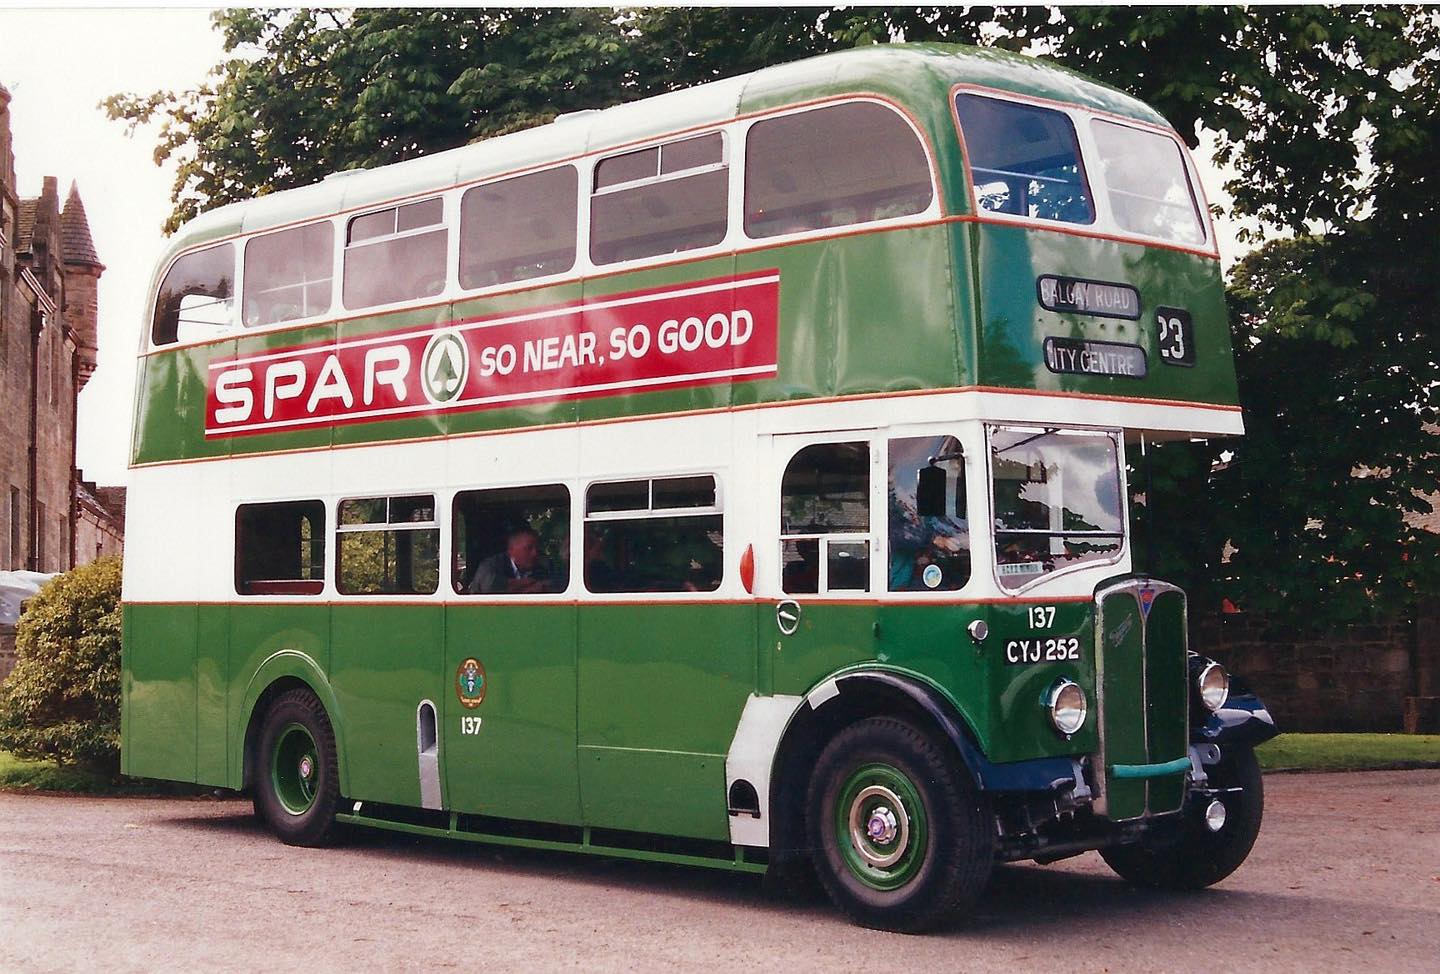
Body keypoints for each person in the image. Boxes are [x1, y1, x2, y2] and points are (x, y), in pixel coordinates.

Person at [467, 526, 553, 594]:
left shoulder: (541, 565)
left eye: (536, 548)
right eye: (528, 548)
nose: (535, 553)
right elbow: (489, 587)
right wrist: (528, 583)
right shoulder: (490, 566)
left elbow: (556, 583)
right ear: (511, 550)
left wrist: (542, 585)